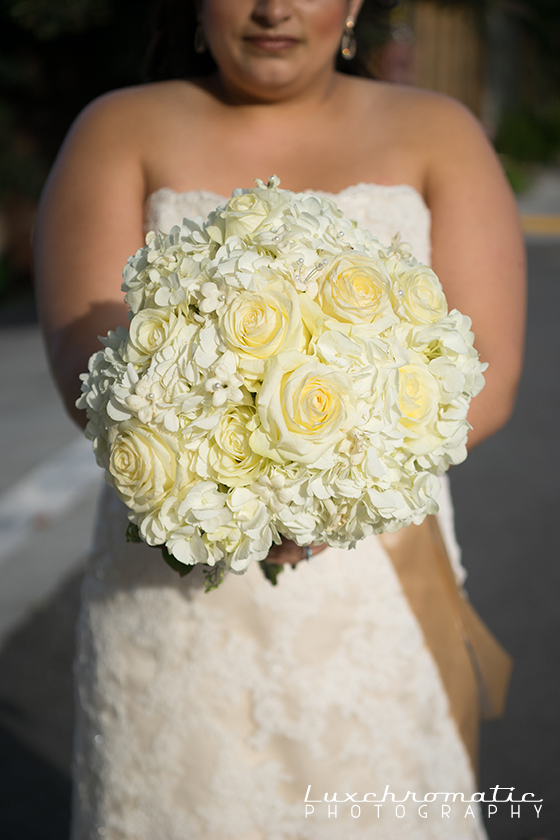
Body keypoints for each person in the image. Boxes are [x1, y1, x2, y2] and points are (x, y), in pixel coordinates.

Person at [34, 0, 526, 837]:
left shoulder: (438, 132)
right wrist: (231, 491)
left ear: (353, 5)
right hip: (171, 583)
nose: (273, 7)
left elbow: (489, 379)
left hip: (377, 575)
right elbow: (92, 368)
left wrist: (320, 496)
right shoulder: (119, 128)